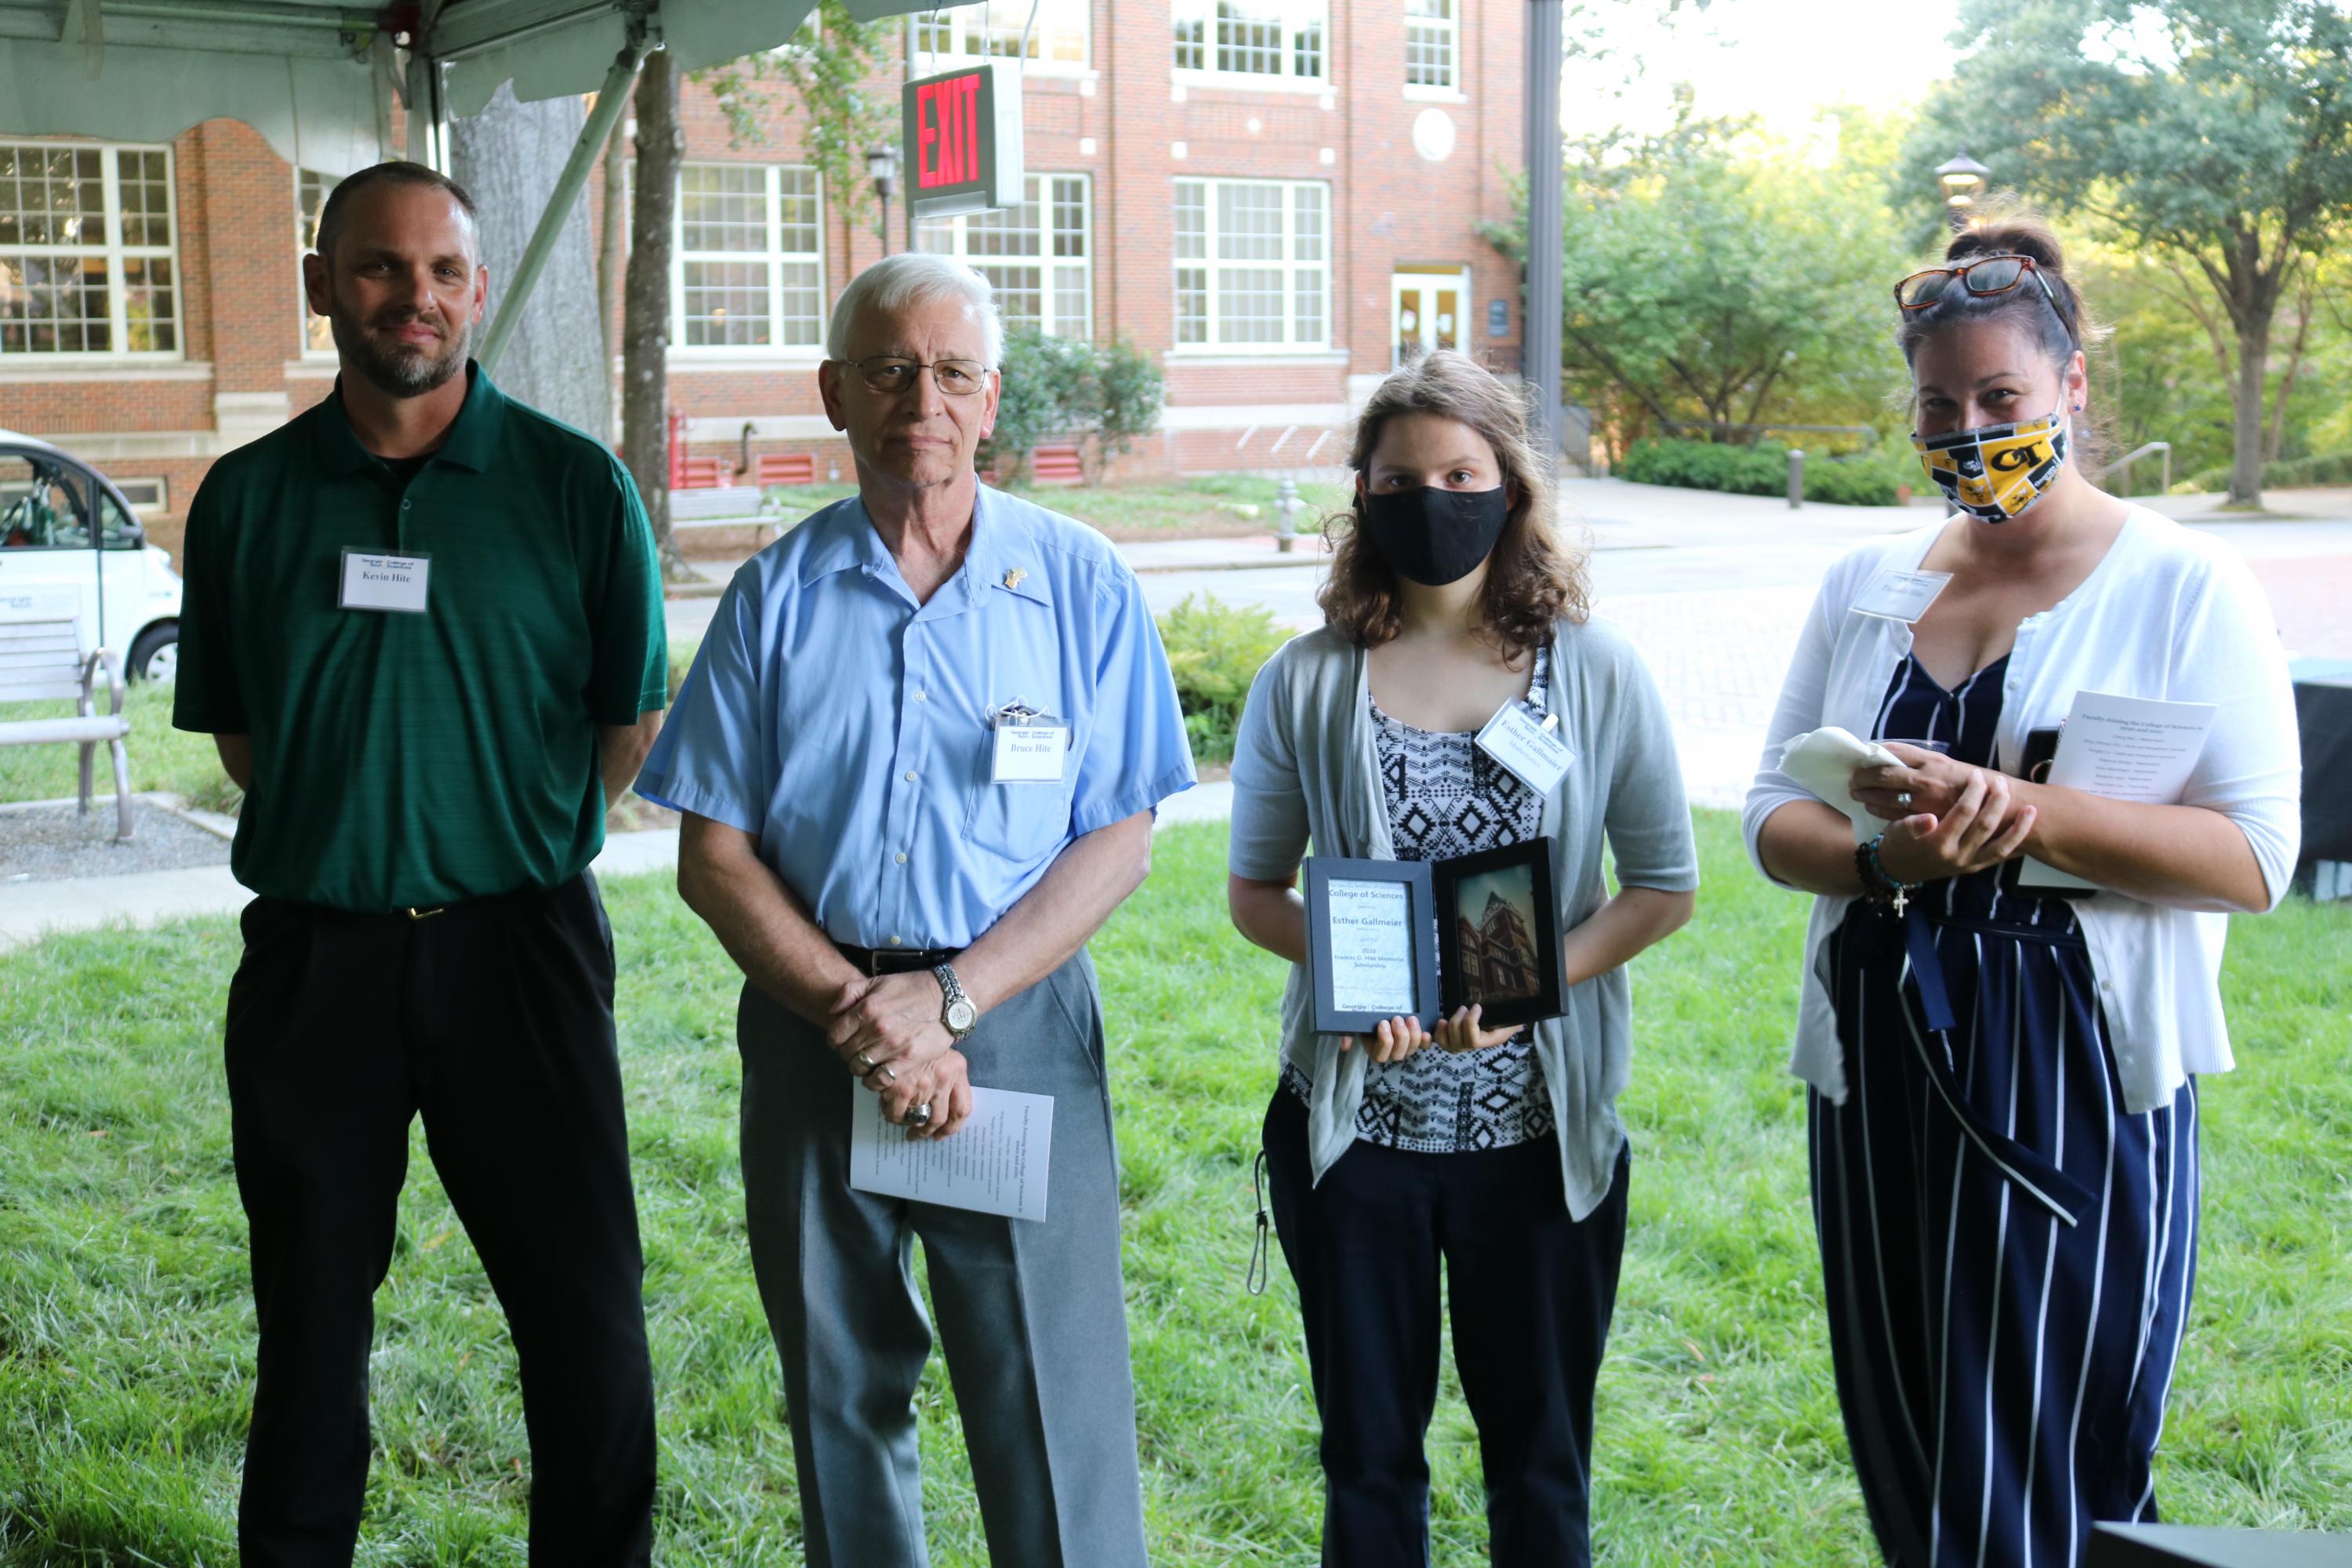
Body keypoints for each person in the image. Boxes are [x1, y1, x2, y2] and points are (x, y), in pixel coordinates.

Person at [1744, 216, 2303, 1567]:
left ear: (2072, 387)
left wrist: (2029, 813)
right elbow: (1773, 818)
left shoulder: (2182, 584)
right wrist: (1889, 859)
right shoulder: (1866, 583)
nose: (1968, 429)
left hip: (2070, 1068)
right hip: (1882, 1044)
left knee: (2053, 1451)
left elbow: (2255, 862)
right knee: (1910, 1422)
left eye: (2000, 398)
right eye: (1940, 405)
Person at [635, 251, 1193, 1568]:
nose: (920, 400)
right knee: (838, 1380)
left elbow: (1118, 837)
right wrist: (863, 1014)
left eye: (950, 372)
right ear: (836, 392)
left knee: (1044, 1381)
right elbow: (712, 853)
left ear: (991, 399)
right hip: (814, 1030)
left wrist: (946, 1005)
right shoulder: (779, 593)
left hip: (1014, 1026)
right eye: (889, 370)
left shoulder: (1080, 579)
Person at [170, 161, 668, 1565]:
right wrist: (362, 829)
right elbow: (247, 738)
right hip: (318, 959)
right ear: (325, 285)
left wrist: (491, 839)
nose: (416, 298)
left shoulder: (576, 489)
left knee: (584, 1315)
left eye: (444, 270)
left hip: (520, 951)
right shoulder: (249, 499)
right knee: (312, 1320)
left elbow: (620, 727)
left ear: (478, 291)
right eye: (381, 267)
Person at [1225, 350, 1698, 1567]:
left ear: (1511, 488)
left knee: (1541, 1464)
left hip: (1539, 1145)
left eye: (1459, 472)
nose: (1432, 499)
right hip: (1355, 1140)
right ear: (1363, 496)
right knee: (1368, 1465)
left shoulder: (1596, 672)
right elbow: (1254, 893)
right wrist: (1353, 984)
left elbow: (1662, 889)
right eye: (1398, 479)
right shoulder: (1309, 679)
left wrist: (1531, 987)